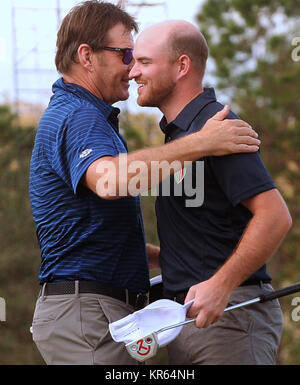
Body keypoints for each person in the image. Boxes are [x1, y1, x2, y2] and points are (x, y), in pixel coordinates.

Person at [29, 1, 260, 365]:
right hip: (85, 315)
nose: (132, 68)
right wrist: (203, 142)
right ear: (86, 56)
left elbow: (90, 231)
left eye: (138, 57)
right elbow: (109, 181)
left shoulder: (87, 116)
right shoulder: (79, 116)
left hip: (94, 313)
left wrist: (176, 259)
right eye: (125, 54)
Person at [128, 20, 292, 365]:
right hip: (191, 322)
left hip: (230, 322)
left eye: (143, 62)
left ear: (181, 66)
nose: (132, 73)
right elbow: (207, 233)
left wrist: (221, 285)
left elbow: (275, 215)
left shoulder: (219, 127)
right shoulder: (182, 137)